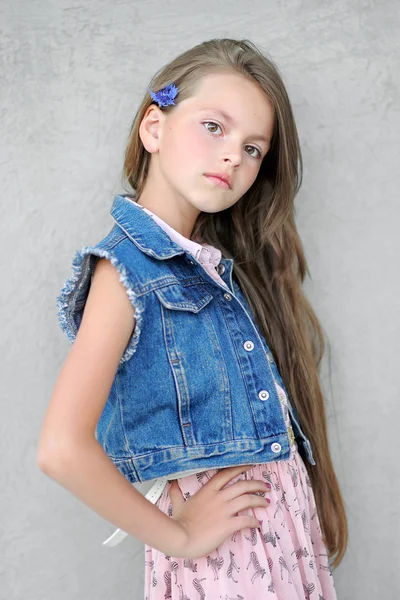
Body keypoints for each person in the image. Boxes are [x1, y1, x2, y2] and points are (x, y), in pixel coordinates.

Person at [37, 38, 348, 598]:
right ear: (153, 128)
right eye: (214, 127)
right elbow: (61, 447)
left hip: (283, 541)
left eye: (254, 149)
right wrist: (178, 538)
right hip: (228, 561)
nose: (234, 155)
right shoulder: (124, 271)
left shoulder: (217, 270)